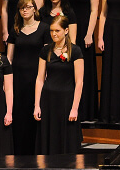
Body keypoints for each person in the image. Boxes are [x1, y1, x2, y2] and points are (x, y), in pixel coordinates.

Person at [6, 0, 50, 155]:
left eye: (28, 7)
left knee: (35, 111)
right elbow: (9, 58)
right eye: (22, 8)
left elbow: (47, 55)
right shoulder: (15, 29)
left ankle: (35, 150)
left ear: (34, 9)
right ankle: (19, 150)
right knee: (19, 113)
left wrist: (45, 76)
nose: (25, 10)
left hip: (36, 77)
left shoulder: (44, 28)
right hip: (18, 78)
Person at [34, 15, 84, 154]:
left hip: (66, 101)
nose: (53, 34)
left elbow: (79, 81)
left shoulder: (75, 51)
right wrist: (37, 105)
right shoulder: (46, 50)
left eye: (57, 31)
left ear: (66, 30)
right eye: (51, 31)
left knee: (66, 139)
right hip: (48, 101)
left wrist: (74, 108)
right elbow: (40, 79)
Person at [61, 0, 99, 121]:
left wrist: (90, 33)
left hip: (84, 30)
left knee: (84, 70)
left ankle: (86, 112)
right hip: (66, 29)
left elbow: (94, 10)